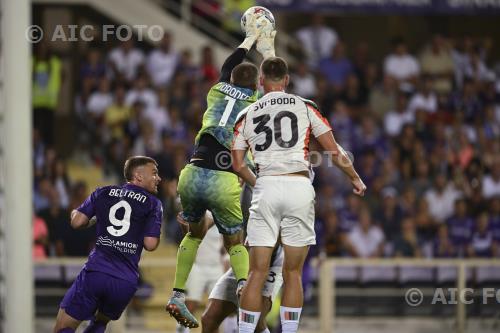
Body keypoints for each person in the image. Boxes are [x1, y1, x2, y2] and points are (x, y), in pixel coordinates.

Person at [231, 57, 366, 333]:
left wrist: (257, 183)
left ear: (260, 82)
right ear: (287, 80)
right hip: (298, 186)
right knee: (292, 272)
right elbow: (333, 150)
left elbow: (237, 164)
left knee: (256, 272)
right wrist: (354, 177)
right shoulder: (305, 106)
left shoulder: (248, 113)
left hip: (266, 185)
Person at [165, 15, 276, 328]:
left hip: (193, 171)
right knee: (235, 243)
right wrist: (268, 48)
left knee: (194, 234)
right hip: (223, 176)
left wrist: (248, 40)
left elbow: (230, 64)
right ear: (255, 84)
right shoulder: (257, 100)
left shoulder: (217, 90)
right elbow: (277, 82)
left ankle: (176, 294)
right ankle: (243, 285)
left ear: (229, 79)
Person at [53, 156, 163, 333]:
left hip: (97, 271)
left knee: (63, 327)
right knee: (100, 323)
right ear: (138, 176)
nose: (159, 178)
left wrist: (74, 212)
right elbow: (150, 244)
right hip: (125, 282)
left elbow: (77, 222)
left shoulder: (103, 192)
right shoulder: (153, 204)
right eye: (154, 173)